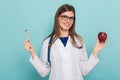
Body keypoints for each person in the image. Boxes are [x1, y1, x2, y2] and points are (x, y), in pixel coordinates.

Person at [23, 4, 107, 80]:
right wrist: (32, 52)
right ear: (58, 17)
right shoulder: (48, 43)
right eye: (64, 17)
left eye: (71, 18)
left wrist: (96, 50)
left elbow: (84, 70)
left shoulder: (79, 41)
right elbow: (44, 72)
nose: (68, 21)